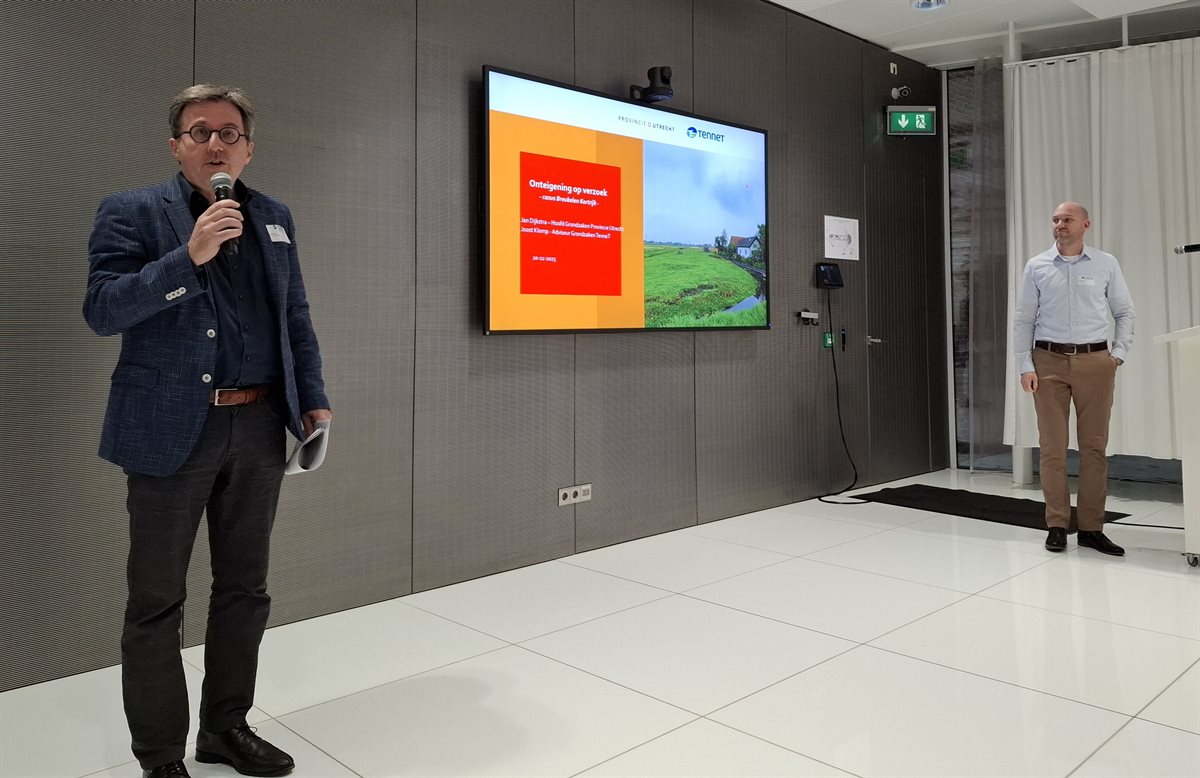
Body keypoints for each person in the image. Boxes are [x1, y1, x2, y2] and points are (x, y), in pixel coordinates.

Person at [83, 85, 332, 778]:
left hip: (258, 425)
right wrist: (185, 259)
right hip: (168, 430)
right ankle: (161, 758)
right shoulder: (132, 212)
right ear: (177, 146)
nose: (215, 144)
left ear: (249, 148)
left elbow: (296, 318)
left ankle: (226, 728)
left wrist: (312, 399)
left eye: (229, 133)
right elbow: (102, 309)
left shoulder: (274, 218)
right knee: (158, 599)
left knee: (245, 588)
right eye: (199, 132)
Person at [1013, 201, 1134, 556]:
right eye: (1055, 219)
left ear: (1086, 224)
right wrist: (1025, 365)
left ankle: (1092, 528)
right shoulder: (1037, 266)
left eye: (1067, 219)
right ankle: (1057, 525)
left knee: (1094, 447)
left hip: (1096, 361)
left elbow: (1125, 311)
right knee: (1052, 448)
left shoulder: (1105, 263)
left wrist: (1118, 355)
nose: (1060, 224)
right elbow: (1024, 318)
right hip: (1047, 360)